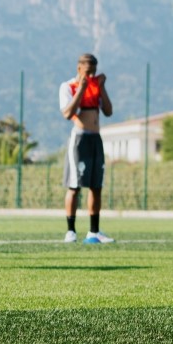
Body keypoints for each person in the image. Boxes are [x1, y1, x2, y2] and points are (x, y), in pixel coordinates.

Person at [59, 53, 115, 244]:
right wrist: (81, 89)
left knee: (96, 186)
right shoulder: (68, 87)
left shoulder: (96, 86)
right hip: (79, 139)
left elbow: (108, 111)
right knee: (74, 186)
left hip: (95, 138)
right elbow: (68, 113)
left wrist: (102, 87)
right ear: (79, 68)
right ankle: (71, 231)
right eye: (88, 71)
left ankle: (94, 231)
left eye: (94, 71)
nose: (91, 75)